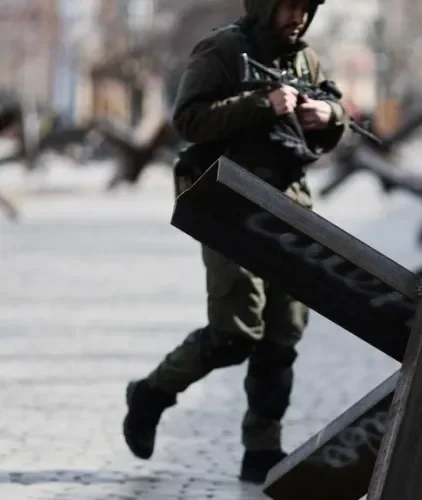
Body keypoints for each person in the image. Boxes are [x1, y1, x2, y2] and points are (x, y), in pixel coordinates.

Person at [122, 0, 349, 484]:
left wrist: (326, 115)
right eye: (289, 8)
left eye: (306, 10)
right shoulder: (223, 49)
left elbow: (337, 109)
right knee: (236, 331)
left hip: (289, 206)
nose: (299, 19)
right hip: (228, 203)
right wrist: (259, 105)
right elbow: (188, 119)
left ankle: (261, 447)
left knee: (283, 332)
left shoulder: (304, 59)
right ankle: (152, 393)